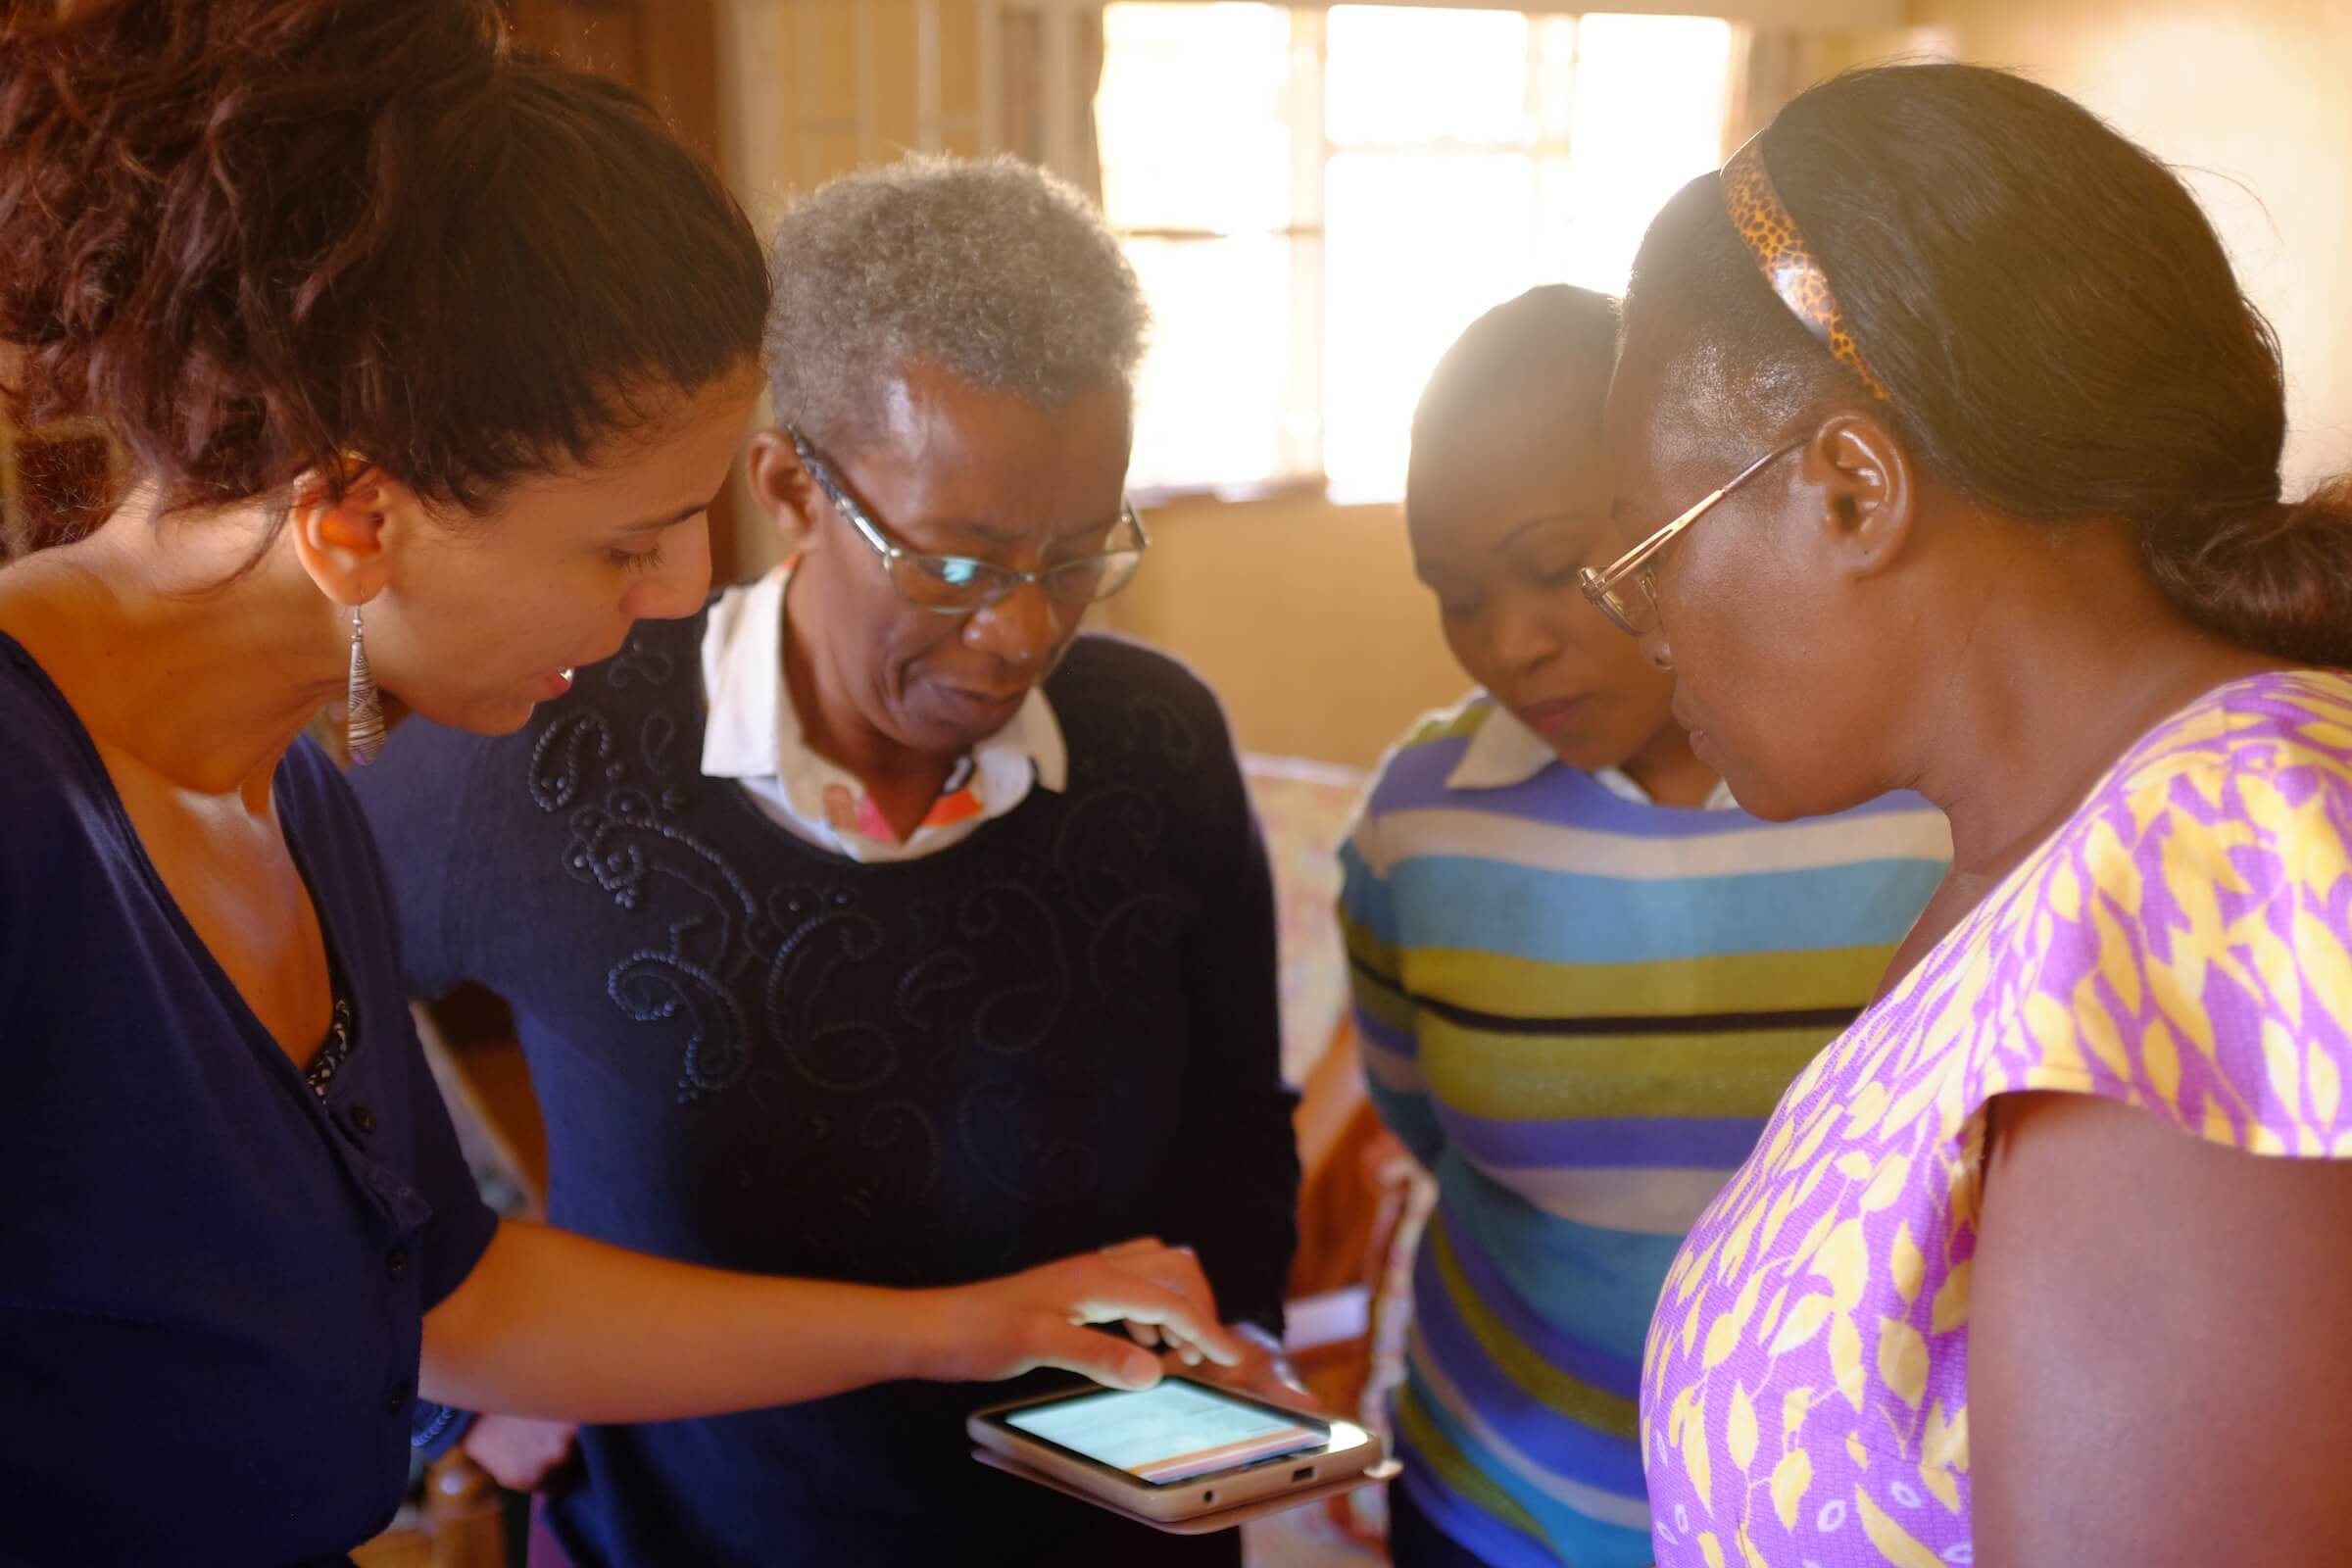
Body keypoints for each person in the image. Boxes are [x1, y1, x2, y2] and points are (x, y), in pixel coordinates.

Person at [0, 8, 1239, 1563]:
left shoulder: (286, 799)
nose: (683, 592)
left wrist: (967, 1328)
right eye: (625, 540)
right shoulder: (31, 822)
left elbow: (460, 1298)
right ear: (356, 519)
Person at [349, 153, 1302, 1567]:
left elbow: (1232, 1129)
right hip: (690, 1533)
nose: (1024, 629)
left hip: (1097, 1534)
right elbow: (287, 1026)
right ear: (792, 487)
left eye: (1080, 551)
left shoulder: (1156, 745)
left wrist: (1244, 1356)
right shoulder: (543, 744)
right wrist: (451, 1372)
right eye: (961, 561)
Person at [1599, 63, 2352, 1568]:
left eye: (1652, 553)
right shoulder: (2042, 862)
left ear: (1853, 490)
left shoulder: (2218, 872)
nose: (1650, 631)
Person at [1340, 286, 1948, 1568]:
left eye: (1559, 568)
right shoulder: (1422, 825)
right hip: (1497, 1510)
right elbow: (1425, 1130)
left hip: (1828, 1529)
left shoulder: (1929, 805)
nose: (1510, 645)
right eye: (1456, 593)